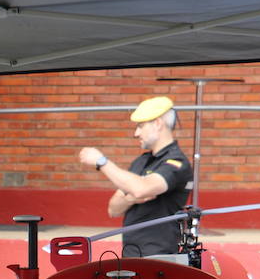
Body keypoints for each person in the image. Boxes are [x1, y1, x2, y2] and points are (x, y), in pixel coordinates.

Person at [77, 96, 194, 257]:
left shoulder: (177, 162)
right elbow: (113, 209)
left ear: (158, 123)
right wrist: (130, 198)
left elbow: (141, 189)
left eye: (140, 126)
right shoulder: (141, 161)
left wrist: (102, 161)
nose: (136, 133)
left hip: (159, 258)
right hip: (130, 254)